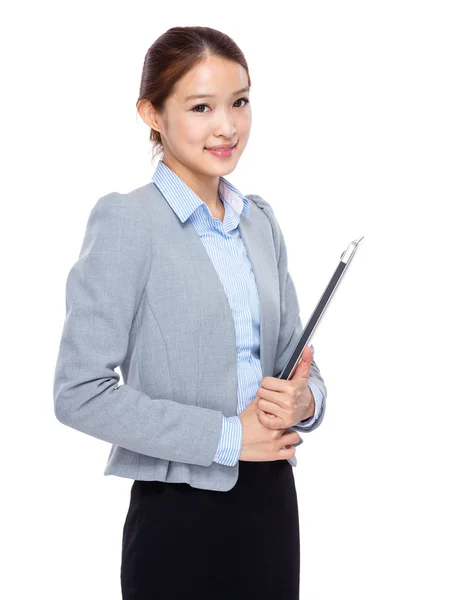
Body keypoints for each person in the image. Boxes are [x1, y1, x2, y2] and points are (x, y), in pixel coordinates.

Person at [53, 25, 327, 599]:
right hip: (179, 516)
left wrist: (307, 400)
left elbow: (296, 361)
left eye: (240, 102)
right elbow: (79, 391)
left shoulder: (260, 221)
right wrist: (227, 437)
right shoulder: (128, 222)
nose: (227, 126)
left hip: (272, 503)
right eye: (201, 107)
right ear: (152, 113)